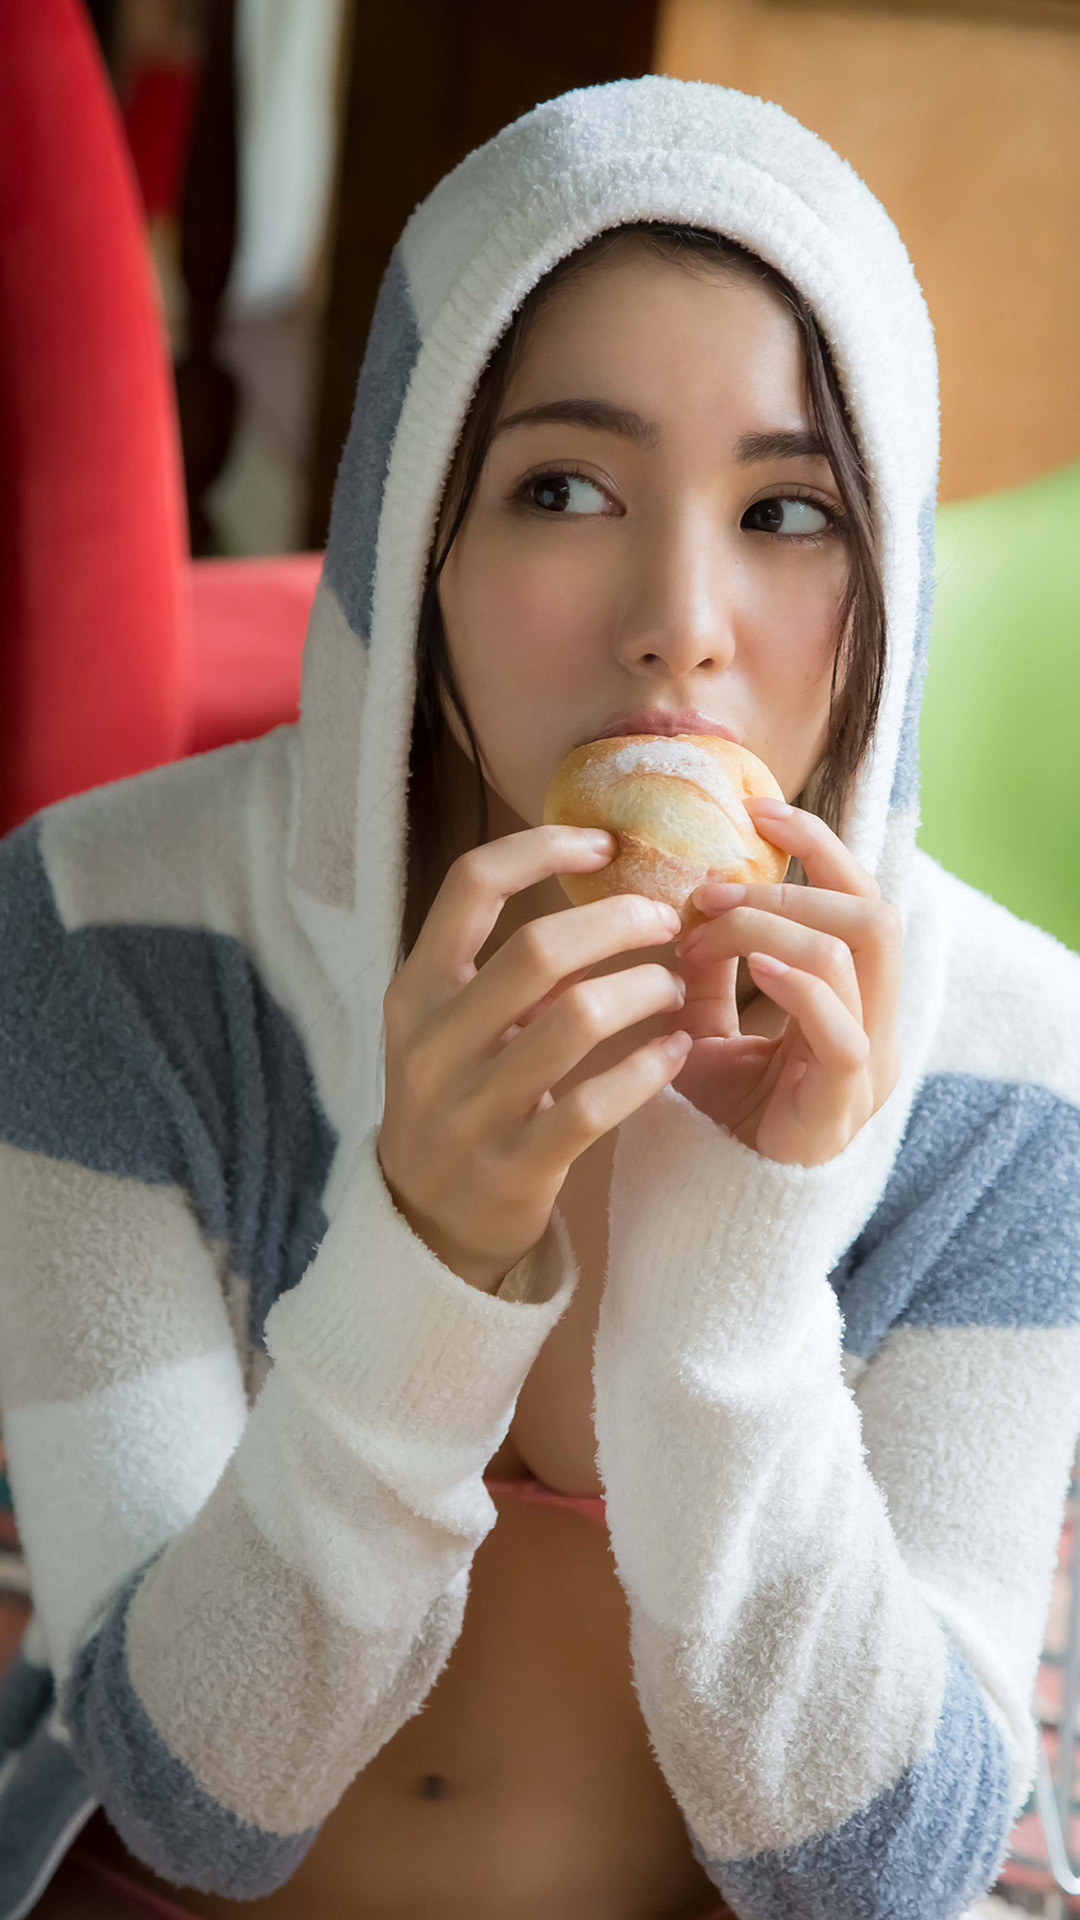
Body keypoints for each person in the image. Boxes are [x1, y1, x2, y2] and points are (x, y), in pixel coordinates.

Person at [1, 74, 1078, 1920]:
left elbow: (891, 1878)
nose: (680, 618)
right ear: (415, 530)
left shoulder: (1013, 1062)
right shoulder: (103, 928)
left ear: (887, 560)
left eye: (791, 508)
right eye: (563, 487)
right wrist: (425, 1248)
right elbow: (195, 1803)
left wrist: (743, 1273)